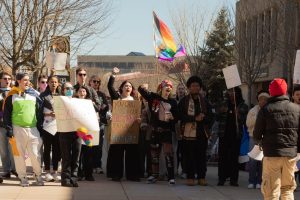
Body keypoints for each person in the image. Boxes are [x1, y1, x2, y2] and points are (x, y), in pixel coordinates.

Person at [254, 78, 300, 200]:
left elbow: (257, 134)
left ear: (271, 92)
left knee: (271, 191)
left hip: (272, 154)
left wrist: (259, 141)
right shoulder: (296, 109)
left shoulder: (266, 109)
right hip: (290, 154)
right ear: (285, 91)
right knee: (288, 189)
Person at [3, 73, 44, 187]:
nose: (27, 82)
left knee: (35, 155)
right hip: (17, 129)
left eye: (28, 80)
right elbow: (7, 115)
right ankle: (23, 177)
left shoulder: (34, 96)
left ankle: (38, 175)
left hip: (33, 129)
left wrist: (40, 128)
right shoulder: (11, 96)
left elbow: (39, 113)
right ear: (18, 81)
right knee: (19, 155)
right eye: (25, 80)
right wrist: (9, 129)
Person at [138, 79, 178, 185]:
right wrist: (143, 86)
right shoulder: (154, 98)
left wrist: (172, 118)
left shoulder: (173, 102)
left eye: (170, 87)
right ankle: (153, 175)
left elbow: (177, 118)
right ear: (161, 88)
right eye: (166, 86)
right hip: (155, 131)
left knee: (169, 155)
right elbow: (141, 90)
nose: (168, 88)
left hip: (167, 131)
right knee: (154, 155)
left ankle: (171, 177)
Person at [106, 67, 141, 181]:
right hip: (119, 131)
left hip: (131, 131)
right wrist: (113, 75)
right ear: (121, 88)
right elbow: (110, 87)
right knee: (117, 153)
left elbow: (139, 115)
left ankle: (132, 175)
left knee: (132, 154)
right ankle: (116, 174)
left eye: (130, 86)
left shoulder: (135, 101)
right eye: (126, 85)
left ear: (132, 89)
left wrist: (139, 120)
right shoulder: (117, 98)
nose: (128, 87)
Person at [178, 76, 213, 186]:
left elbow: (212, 117)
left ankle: (202, 177)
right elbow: (180, 116)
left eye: (197, 85)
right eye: (193, 85)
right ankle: (190, 177)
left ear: (200, 87)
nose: (195, 87)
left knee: (201, 156)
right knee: (189, 156)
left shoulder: (205, 101)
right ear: (189, 87)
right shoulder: (184, 101)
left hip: (202, 133)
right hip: (188, 134)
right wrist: (194, 119)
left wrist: (204, 118)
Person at [217, 87, 248, 186]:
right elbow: (217, 118)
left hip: (236, 135)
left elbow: (244, 120)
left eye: (234, 91)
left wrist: (238, 114)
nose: (231, 93)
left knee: (234, 158)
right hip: (224, 134)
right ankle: (222, 178)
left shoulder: (242, 105)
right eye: (230, 91)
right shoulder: (223, 103)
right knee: (223, 157)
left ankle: (234, 179)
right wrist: (221, 111)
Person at [59, 82, 82, 187]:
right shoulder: (59, 101)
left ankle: (73, 178)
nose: (69, 90)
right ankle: (65, 179)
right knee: (66, 157)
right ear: (63, 90)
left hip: (78, 132)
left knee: (76, 156)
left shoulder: (78, 102)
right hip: (64, 131)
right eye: (67, 88)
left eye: (71, 88)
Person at [246, 90, 269, 189]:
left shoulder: (270, 110)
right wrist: (258, 119)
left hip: (264, 139)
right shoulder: (252, 111)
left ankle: (260, 181)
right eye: (261, 99)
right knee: (252, 161)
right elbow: (248, 124)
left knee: (262, 161)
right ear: (258, 100)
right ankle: (251, 180)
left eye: (265, 99)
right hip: (253, 137)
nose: (263, 101)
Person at [40, 76, 61, 182]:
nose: (53, 84)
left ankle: (56, 171)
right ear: (48, 83)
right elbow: (38, 112)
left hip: (59, 127)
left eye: (55, 82)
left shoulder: (61, 95)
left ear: (58, 84)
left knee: (57, 149)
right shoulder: (43, 95)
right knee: (47, 149)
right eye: (51, 82)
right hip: (47, 126)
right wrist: (49, 113)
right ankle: (47, 172)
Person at [76, 85, 100, 181]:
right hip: (77, 130)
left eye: (84, 92)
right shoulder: (74, 102)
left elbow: (98, 109)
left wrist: (93, 104)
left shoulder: (90, 102)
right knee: (78, 153)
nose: (82, 93)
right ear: (77, 93)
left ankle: (88, 174)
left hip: (87, 131)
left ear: (87, 93)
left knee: (88, 153)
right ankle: (78, 173)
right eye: (80, 91)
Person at [88, 75, 109, 174]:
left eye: (98, 82)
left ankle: (97, 165)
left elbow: (105, 106)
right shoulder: (86, 93)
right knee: (89, 144)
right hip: (87, 122)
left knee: (98, 145)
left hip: (99, 122)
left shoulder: (101, 94)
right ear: (90, 82)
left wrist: (99, 107)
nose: (96, 83)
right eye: (94, 81)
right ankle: (89, 166)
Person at [0, 72, 17, 182]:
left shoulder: (14, 92)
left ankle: (15, 169)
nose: (7, 80)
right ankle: (6, 170)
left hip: (12, 124)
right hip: (1, 125)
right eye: (5, 78)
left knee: (14, 148)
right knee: (3, 149)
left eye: (9, 79)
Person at [175, 83, 187, 178]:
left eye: (182, 89)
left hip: (185, 129)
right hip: (175, 129)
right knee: (175, 150)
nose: (181, 90)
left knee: (184, 151)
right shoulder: (173, 101)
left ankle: (184, 170)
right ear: (176, 90)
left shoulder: (188, 101)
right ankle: (175, 170)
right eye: (179, 89)